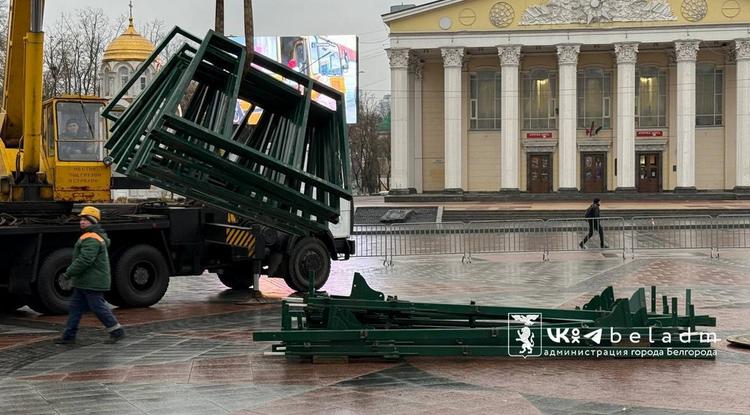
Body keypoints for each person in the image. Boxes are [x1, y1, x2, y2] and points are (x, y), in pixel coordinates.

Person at [55, 206, 125, 345]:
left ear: (93, 222)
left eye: (85, 220)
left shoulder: (91, 238)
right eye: (81, 219)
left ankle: (116, 331)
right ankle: (69, 336)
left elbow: (85, 260)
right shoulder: (89, 236)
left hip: (92, 281)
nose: (81, 222)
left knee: (97, 307)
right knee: (75, 308)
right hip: (84, 281)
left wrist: (69, 273)